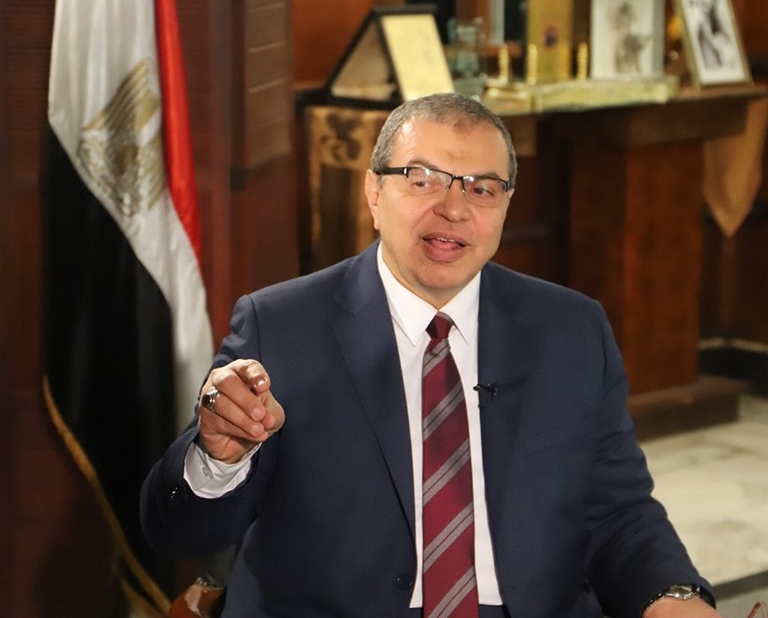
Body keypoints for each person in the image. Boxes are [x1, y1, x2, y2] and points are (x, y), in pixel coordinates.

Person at [141, 92, 722, 618]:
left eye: (481, 188)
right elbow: (179, 534)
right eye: (423, 179)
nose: (453, 208)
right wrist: (218, 460)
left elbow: (617, 511)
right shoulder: (282, 327)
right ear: (374, 192)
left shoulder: (571, 329)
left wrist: (674, 596)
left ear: (506, 205)